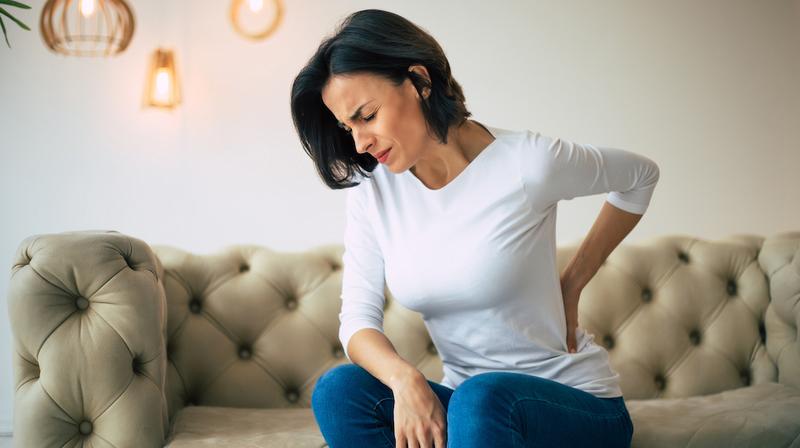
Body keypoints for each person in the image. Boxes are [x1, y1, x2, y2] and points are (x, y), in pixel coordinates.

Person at [290, 8, 659, 448]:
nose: (359, 143)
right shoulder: (373, 190)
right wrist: (405, 379)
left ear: (420, 82)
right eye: (347, 126)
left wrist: (572, 283)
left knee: (481, 398)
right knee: (341, 393)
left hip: (573, 406)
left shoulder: (528, 163)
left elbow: (640, 177)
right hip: (473, 416)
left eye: (366, 116)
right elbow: (356, 323)